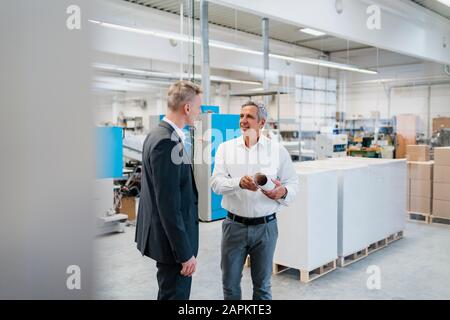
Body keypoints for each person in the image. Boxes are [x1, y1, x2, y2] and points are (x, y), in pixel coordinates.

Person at [211, 101, 299, 300]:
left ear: (262, 123)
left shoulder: (277, 151)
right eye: (241, 116)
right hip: (234, 226)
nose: (243, 121)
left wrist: (282, 192)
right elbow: (216, 183)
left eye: (249, 117)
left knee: (262, 286)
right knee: (230, 284)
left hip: (265, 228)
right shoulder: (226, 149)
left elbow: (293, 184)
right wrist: (238, 183)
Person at [135, 80, 202, 300]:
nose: (199, 113)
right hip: (173, 247)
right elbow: (169, 206)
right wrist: (184, 253)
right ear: (187, 108)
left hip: (165, 241)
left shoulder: (157, 134)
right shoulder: (167, 143)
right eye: (198, 107)